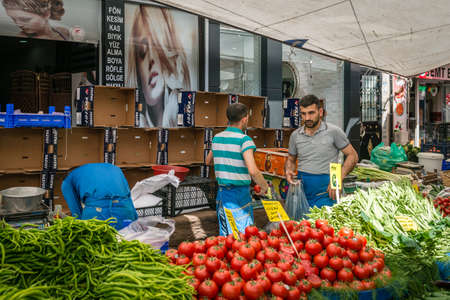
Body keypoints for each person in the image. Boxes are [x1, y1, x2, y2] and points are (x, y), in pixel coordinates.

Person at [206, 103, 269, 236]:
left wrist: (224, 162)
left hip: (222, 194)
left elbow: (208, 161)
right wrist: (264, 186)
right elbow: (253, 170)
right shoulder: (244, 140)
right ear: (245, 119)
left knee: (226, 238)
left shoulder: (217, 138)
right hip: (239, 197)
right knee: (242, 237)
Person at [285, 95, 358, 208]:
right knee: (302, 224)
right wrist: (289, 170)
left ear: (320, 112)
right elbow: (291, 159)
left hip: (327, 191)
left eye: (311, 113)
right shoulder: (295, 135)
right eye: (303, 114)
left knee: (324, 224)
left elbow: (352, 156)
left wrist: (338, 180)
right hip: (302, 191)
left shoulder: (334, 132)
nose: (307, 117)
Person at [127, 5, 191, 128]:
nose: (152, 60)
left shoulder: (178, 106)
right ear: (137, 67)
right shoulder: (136, 121)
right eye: (143, 50)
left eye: (158, 48)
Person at [62, 163, 138, 230]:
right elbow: (128, 195)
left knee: (99, 243)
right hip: (126, 210)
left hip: (99, 213)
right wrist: (134, 217)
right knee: (126, 241)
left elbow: (75, 211)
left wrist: (78, 226)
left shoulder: (68, 180)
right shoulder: (112, 168)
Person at [2, 0, 70, 40]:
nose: (18, 24)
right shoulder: (21, 37)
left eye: (25, 19)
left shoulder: (63, 31)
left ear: (46, 14)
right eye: (13, 19)